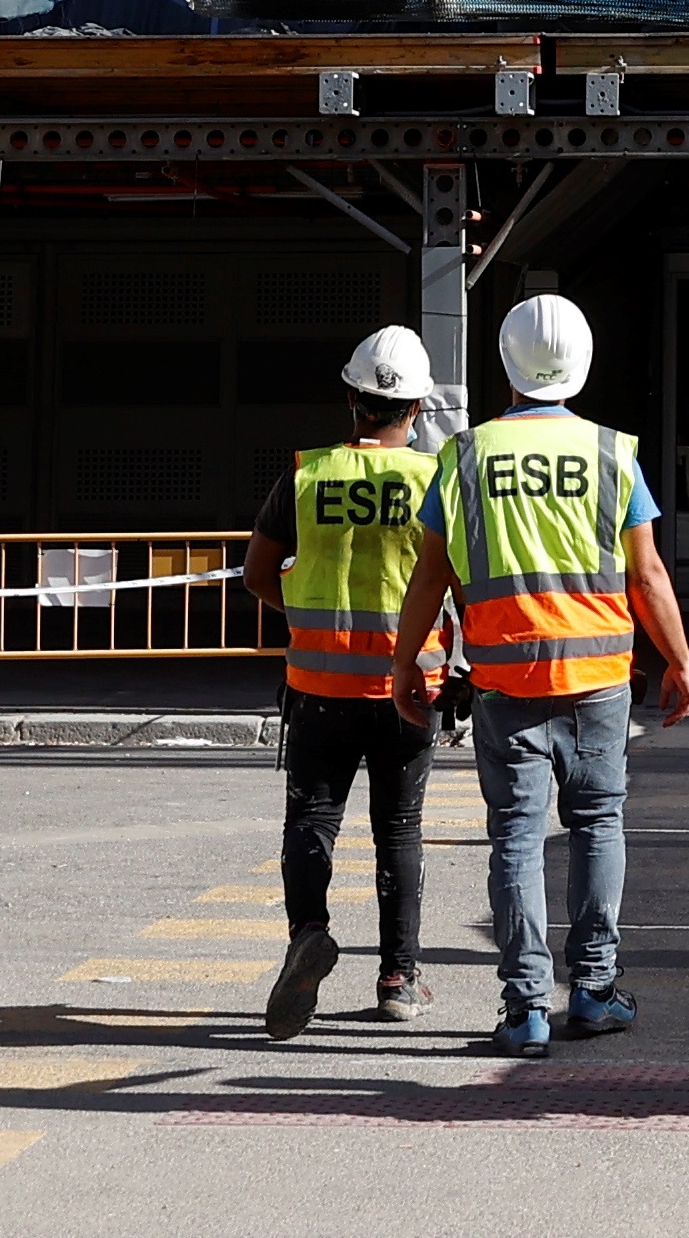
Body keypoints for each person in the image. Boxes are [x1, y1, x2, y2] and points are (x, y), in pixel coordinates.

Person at [391, 291, 689, 1056]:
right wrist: (680, 661)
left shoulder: (464, 455)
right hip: (598, 677)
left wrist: (406, 664)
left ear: (506, 363)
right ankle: (593, 991)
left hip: (506, 681)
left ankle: (526, 1007)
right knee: (597, 827)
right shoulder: (610, 452)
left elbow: (429, 579)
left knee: (517, 841)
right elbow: (649, 573)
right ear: (584, 363)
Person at [242, 324, 444, 1034]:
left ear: (352, 399)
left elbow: (257, 576)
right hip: (408, 687)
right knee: (399, 830)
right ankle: (398, 979)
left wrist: (302, 614)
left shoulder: (305, 474)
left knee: (312, 820)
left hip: (319, 688)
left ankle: (306, 935)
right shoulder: (434, 478)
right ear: (416, 408)